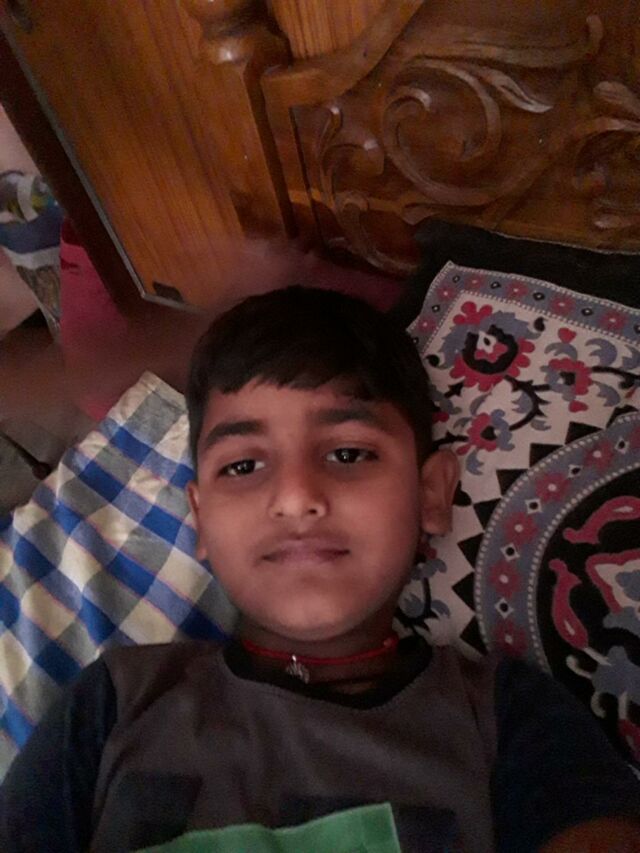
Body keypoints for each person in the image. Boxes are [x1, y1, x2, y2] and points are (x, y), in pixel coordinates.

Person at [1, 286, 639, 853]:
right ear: (199, 519)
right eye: (243, 466)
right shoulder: (112, 705)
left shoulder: (508, 718)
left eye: (349, 453)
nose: (296, 496)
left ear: (431, 494)